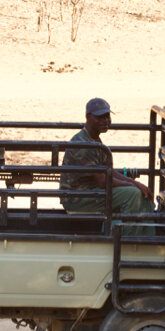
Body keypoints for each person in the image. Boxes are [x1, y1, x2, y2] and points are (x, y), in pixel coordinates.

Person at [61, 98, 155, 233]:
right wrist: (134, 185)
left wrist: (136, 184)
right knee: (133, 195)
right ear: (88, 117)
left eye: (107, 117)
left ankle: (146, 236)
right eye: (100, 117)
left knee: (139, 193)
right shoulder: (84, 143)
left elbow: (108, 172)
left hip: (90, 192)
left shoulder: (93, 138)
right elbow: (102, 180)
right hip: (79, 198)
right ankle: (128, 240)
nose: (105, 121)